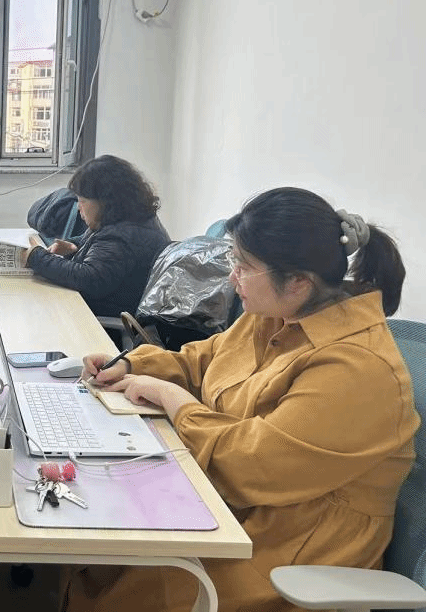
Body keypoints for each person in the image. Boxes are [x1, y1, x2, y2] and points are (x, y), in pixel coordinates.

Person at [70, 187, 420, 612]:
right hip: (234, 508)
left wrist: (171, 397)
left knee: (129, 583)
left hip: (297, 551)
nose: (231, 277)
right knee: (97, 546)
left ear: (298, 281)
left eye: (243, 266)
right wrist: (132, 364)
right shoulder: (276, 314)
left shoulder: (358, 368)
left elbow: (251, 465)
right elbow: (202, 361)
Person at [23, 155, 170, 318]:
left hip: (104, 321)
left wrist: (36, 257)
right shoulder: (130, 219)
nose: (78, 207)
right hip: (105, 306)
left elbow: (89, 279)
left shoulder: (121, 236)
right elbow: (102, 251)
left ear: (105, 201)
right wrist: (74, 247)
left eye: (82, 201)